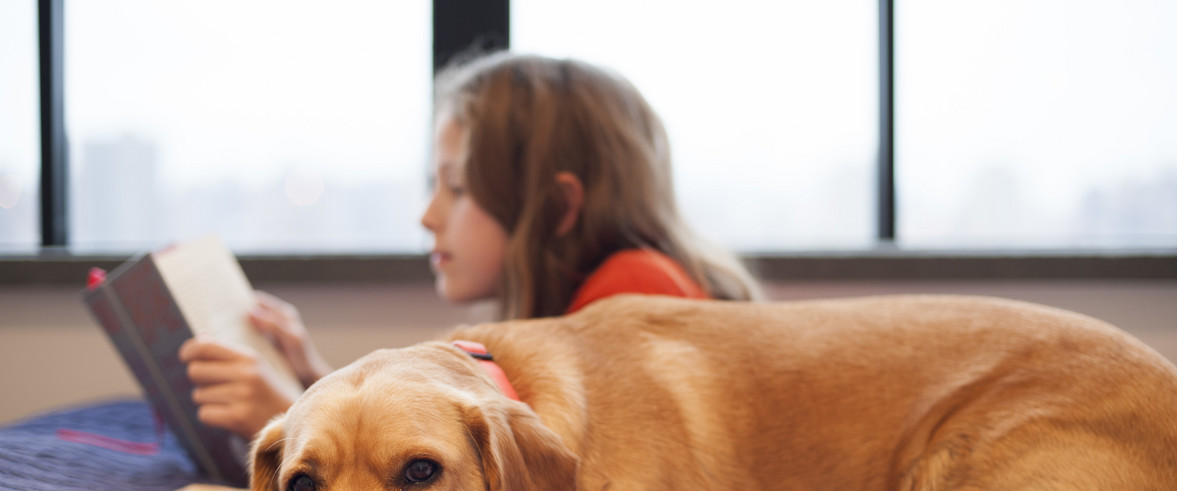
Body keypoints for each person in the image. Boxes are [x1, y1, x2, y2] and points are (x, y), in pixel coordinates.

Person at [180, 51, 763, 441]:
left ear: (558, 208)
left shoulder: (638, 293)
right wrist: (315, 385)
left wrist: (286, 420)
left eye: (457, 188)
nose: (428, 215)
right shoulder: (588, 298)